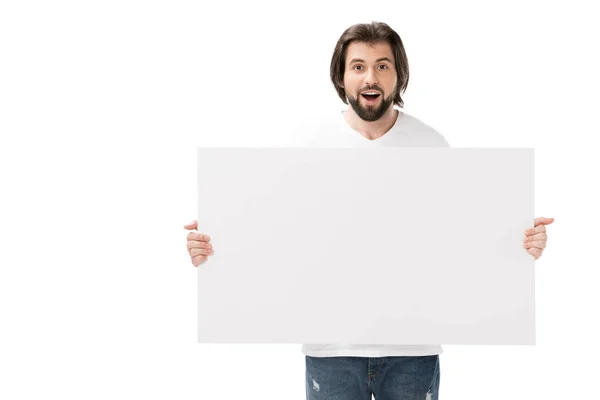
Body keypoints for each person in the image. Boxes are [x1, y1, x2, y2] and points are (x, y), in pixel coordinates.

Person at [184, 21, 554, 400]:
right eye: (358, 66)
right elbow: (275, 235)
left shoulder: (430, 145)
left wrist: (517, 243)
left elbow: (459, 237)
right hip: (332, 351)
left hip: (414, 349)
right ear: (342, 77)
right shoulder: (308, 145)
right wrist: (217, 242)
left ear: (398, 76)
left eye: (382, 65)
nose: (370, 76)